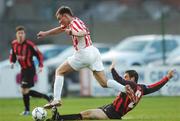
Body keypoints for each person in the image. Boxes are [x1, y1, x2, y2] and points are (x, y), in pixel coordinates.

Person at [37, 6, 132, 109]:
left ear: (65, 15)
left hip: (83, 53)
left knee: (59, 71)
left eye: (60, 18)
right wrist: (45, 33)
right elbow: (60, 29)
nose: (60, 21)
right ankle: (125, 89)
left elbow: (84, 32)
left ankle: (56, 99)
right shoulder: (74, 22)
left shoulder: (74, 23)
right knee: (104, 82)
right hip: (93, 52)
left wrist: (72, 32)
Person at [47, 61, 174, 120]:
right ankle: (59, 118)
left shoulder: (131, 85)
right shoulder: (142, 89)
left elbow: (118, 79)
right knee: (87, 115)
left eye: (127, 77)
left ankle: (59, 118)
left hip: (113, 112)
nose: (125, 80)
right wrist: (167, 78)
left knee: (86, 114)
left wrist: (112, 68)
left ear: (132, 78)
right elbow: (155, 87)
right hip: (113, 110)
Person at [9, 26, 52, 115]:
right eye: (19, 33)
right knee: (25, 91)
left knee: (24, 89)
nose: (21, 35)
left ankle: (27, 110)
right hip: (23, 70)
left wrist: (40, 65)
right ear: (16, 35)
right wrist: (12, 62)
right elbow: (13, 54)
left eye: (22, 33)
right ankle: (46, 96)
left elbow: (39, 54)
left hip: (30, 69)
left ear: (24, 35)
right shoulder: (14, 44)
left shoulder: (29, 44)